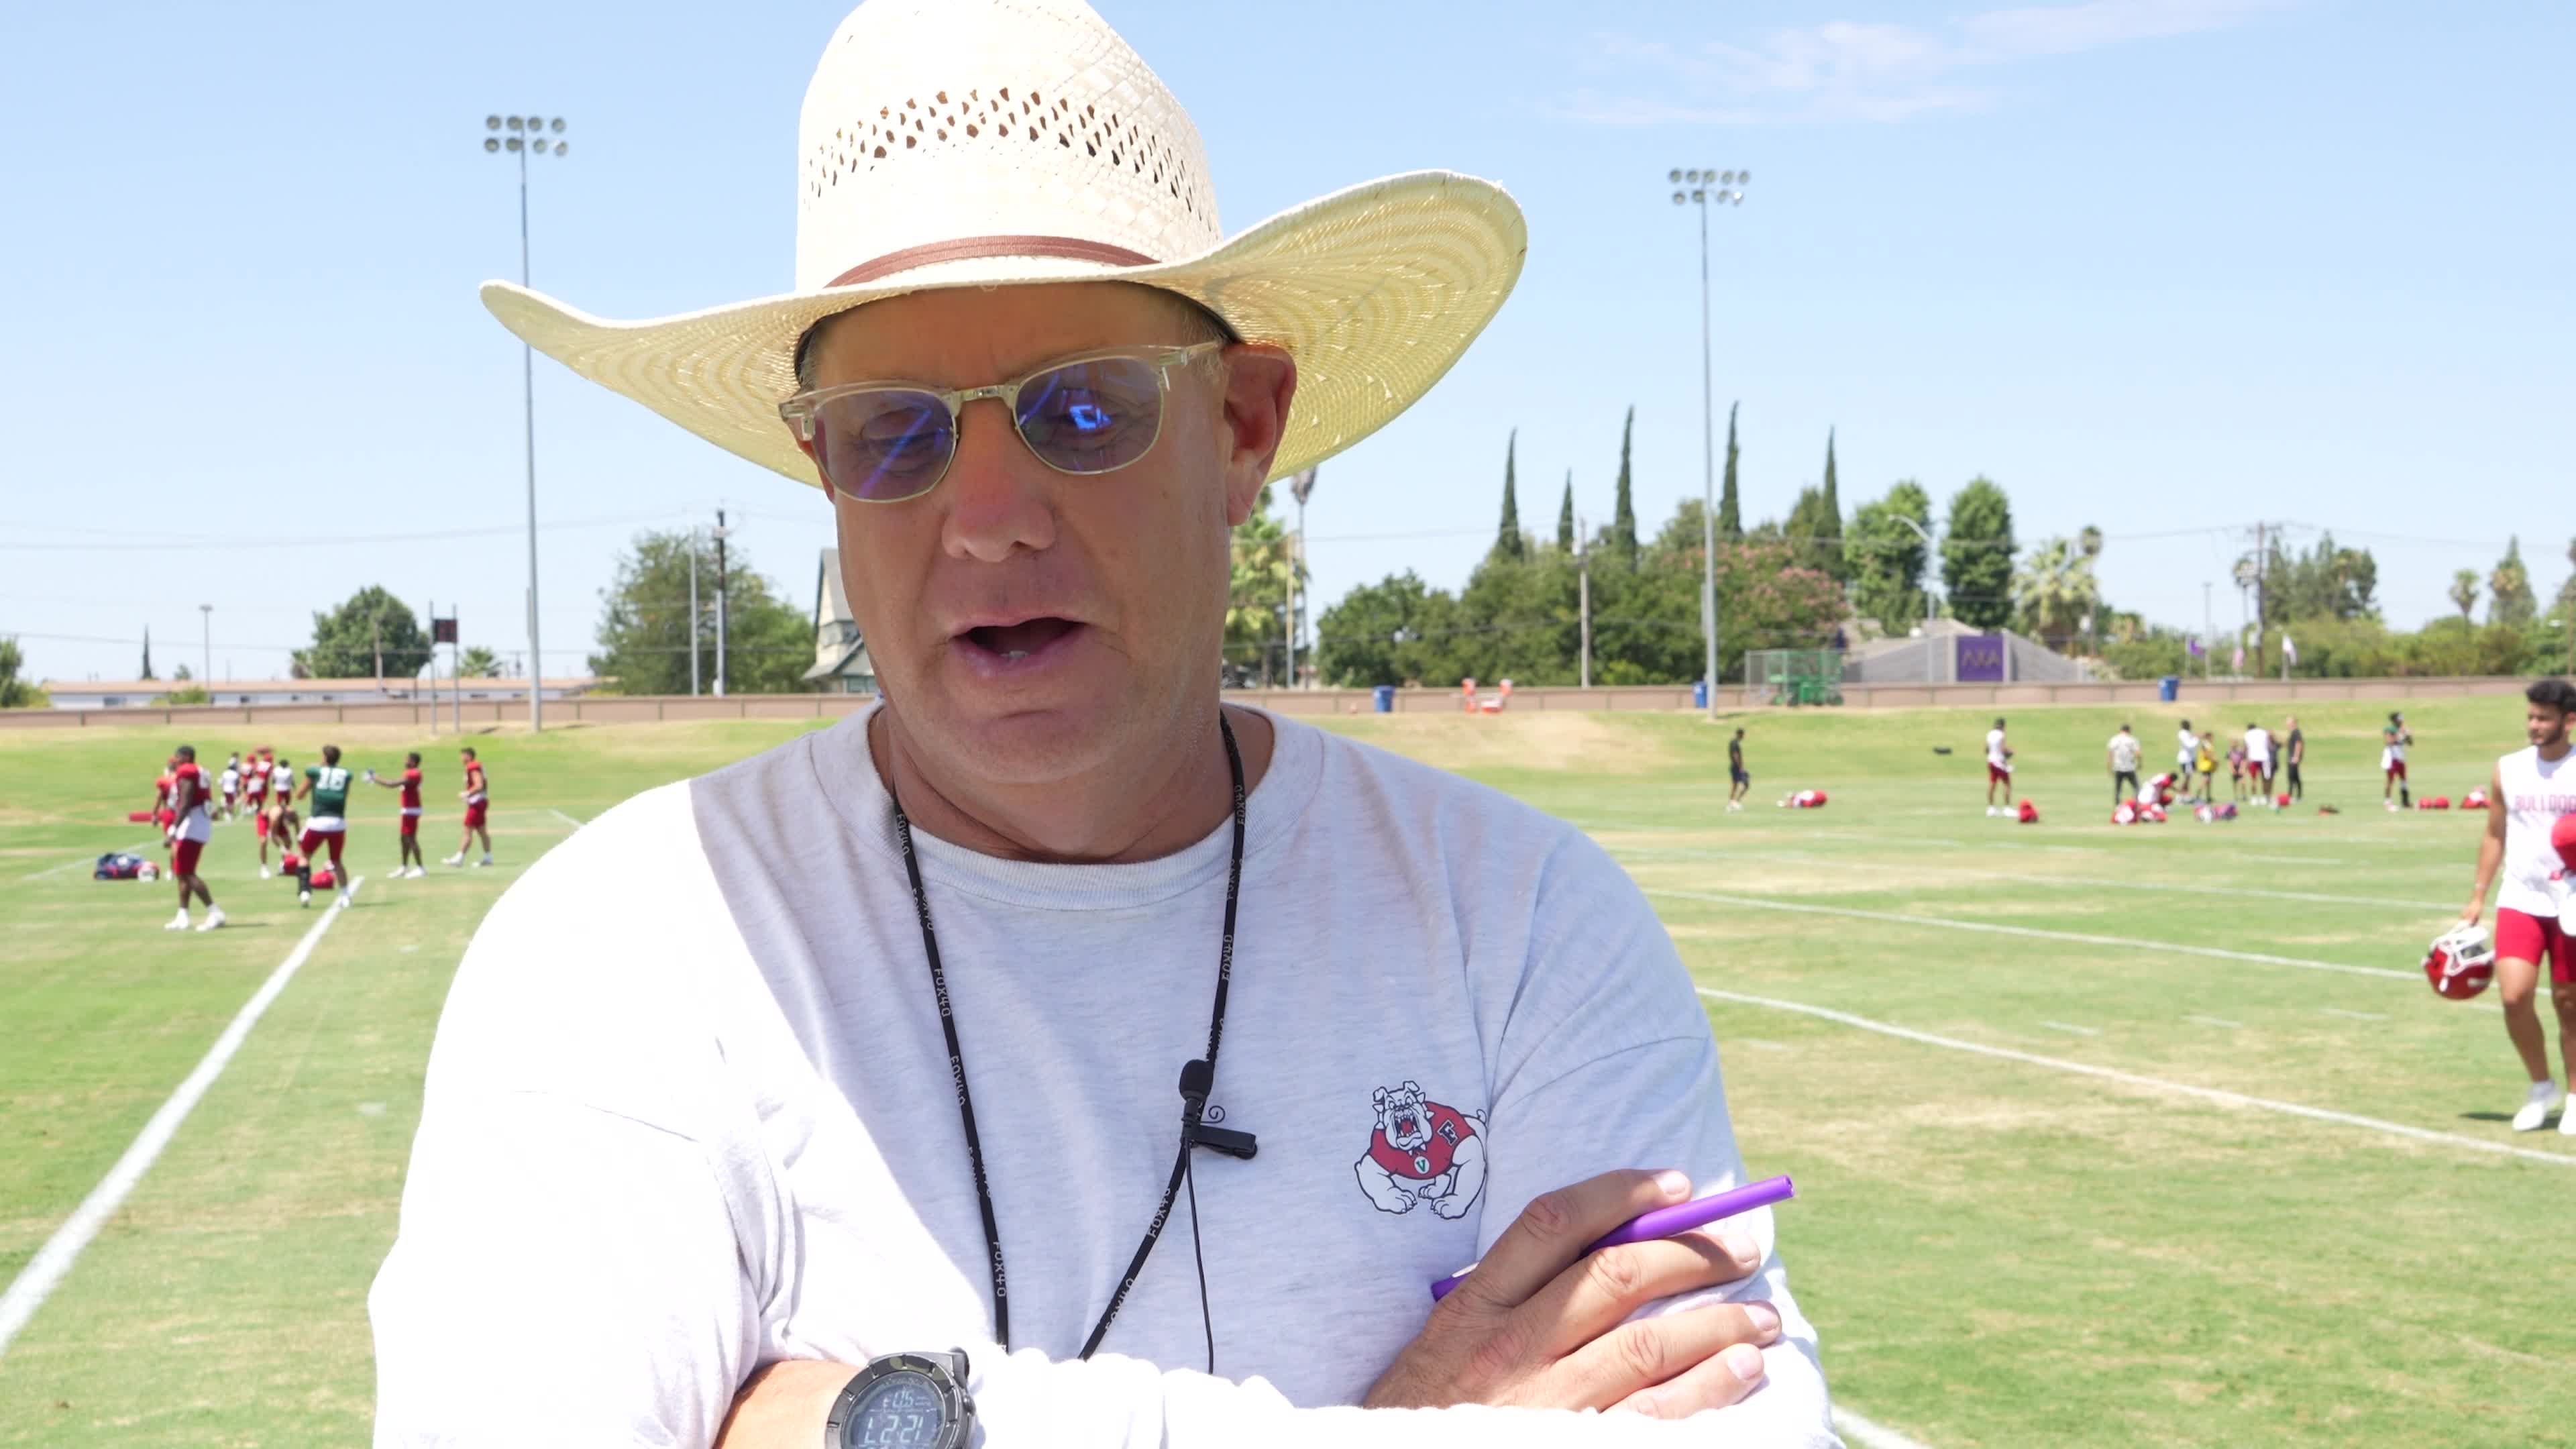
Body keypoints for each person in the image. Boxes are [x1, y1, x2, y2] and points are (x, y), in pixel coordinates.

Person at [370, 5, 1830, 1445]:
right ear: (820, 464)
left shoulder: (1523, 927)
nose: (991, 523)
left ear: (1245, 428)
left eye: (1081, 413)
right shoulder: (630, 946)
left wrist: (896, 1425)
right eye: (896, 432)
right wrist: (1412, 1424)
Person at [2459, 679, 2576, 1132]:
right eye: (2530, 716)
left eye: (2544, 718)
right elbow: (2494, 834)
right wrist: (2478, 896)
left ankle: (2574, 1096)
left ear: (2569, 721)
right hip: (2522, 896)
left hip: (2570, 901)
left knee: (2569, 1004)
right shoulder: (2508, 768)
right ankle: (2540, 1085)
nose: (2534, 725)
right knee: (2514, 996)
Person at [161, 745, 225, 931]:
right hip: (198, 821)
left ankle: (215, 913)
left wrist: (173, 829)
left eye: (178, 758)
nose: (176, 761)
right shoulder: (200, 770)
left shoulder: (188, 771)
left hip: (192, 823)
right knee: (182, 873)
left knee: (187, 873)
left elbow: (186, 802)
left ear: (187, 757)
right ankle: (183, 915)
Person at [293, 744, 356, 908]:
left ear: (325, 757)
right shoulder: (345, 774)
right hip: (338, 823)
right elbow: (345, 795)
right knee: (337, 861)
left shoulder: (315, 772)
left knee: (304, 856)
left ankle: (305, 891)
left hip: (318, 822)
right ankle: (346, 896)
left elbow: (299, 795)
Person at [370, 751, 429, 878]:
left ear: (413, 762)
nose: (405, 761)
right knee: (404, 839)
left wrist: (375, 778)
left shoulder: (414, 773)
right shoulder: (409, 773)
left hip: (412, 810)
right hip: (407, 809)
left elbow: (392, 784)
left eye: (407, 759)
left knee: (411, 839)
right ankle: (404, 867)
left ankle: (421, 868)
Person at [443, 747, 492, 867]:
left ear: (468, 756)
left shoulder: (473, 766)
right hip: (480, 801)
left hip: (477, 802)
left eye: (462, 755)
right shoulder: (474, 766)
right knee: (481, 831)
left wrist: (467, 793)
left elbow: (479, 785)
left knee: (467, 830)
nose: (461, 758)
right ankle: (488, 857)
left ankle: (459, 858)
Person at [259, 753, 296, 879]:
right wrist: (282, 849)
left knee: (289, 842)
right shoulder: (276, 815)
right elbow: (272, 835)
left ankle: (283, 866)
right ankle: (264, 867)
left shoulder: (293, 815)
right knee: (264, 841)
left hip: (279, 818)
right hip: (264, 818)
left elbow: (298, 833)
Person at [2106, 723, 2142, 804]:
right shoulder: (2132, 740)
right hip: (2130, 768)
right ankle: (2137, 803)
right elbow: (2138, 753)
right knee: (2137, 787)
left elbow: (2110, 755)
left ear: (2120, 730)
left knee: (2118, 789)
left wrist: (2109, 768)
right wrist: (2140, 764)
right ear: (2129, 731)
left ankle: (2118, 805)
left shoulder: (2114, 740)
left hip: (2118, 767)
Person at [1985, 716, 2013, 816]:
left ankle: (1991, 808)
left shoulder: (1989, 734)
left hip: (1991, 761)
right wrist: (2010, 751)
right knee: (2007, 784)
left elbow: (1987, 749)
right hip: (1999, 762)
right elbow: (2003, 749)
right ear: (2003, 726)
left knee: (1992, 784)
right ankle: (2007, 808)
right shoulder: (2001, 734)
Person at [2243, 720, 2273, 805]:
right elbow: (2269, 745)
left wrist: (2245, 759)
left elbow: (2246, 747)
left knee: (2254, 779)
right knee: (2266, 778)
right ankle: (2265, 797)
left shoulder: (2247, 734)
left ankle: (2254, 798)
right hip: (2264, 758)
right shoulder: (2263, 732)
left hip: (2253, 758)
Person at [2175, 720, 2200, 803]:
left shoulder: (2186, 734)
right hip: (2186, 759)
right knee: (2187, 777)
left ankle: (2186, 794)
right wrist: (2197, 738)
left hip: (2190, 758)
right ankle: (2181, 795)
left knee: (2188, 777)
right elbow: (2190, 745)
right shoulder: (2183, 734)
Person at [1726, 728, 1750, 813]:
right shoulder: (1735, 744)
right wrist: (1741, 767)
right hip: (1736, 767)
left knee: (1735, 785)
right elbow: (1736, 755)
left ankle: (1732, 803)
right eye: (1743, 735)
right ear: (1740, 734)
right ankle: (1734, 802)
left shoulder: (1733, 743)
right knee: (1746, 785)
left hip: (1734, 767)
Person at [2282, 716, 2305, 802]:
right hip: (2291, 757)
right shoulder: (2292, 732)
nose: (2287, 723)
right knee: (2294, 777)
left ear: (2293, 723)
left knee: (2292, 777)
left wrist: (2296, 757)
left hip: (2293, 758)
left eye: (2288, 722)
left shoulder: (2296, 732)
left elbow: (2299, 744)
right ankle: (2297, 796)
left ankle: (2291, 796)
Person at [218, 751, 244, 822]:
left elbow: (221, 781)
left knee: (227, 801)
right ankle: (229, 814)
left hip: (225, 789)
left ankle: (227, 813)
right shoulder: (235, 774)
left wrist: (222, 787)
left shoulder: (225, 773)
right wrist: (238, 789)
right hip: (232, 789)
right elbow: (237, 783)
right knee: (231, 802)